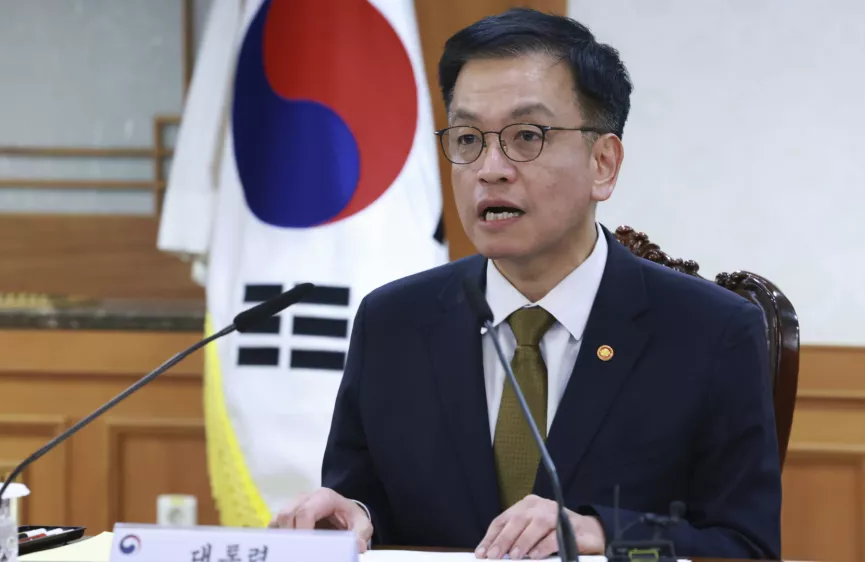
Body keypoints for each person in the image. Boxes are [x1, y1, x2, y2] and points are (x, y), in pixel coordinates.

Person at [271, 8, 781, 560]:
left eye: (526, 136)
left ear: (603, 164)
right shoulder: (394, 321)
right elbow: (369, 501)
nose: (490, 167)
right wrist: (352, 517)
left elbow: (744, 546)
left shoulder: (709, 332)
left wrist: (602, 534)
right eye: (467, 138)